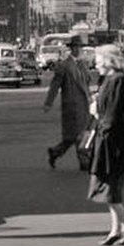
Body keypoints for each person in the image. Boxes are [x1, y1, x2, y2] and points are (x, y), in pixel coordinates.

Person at [87, 44, 124, 245]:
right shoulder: (109, 79)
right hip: (108, 136)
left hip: (114, 139)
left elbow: (114, 113)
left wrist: (96, 111)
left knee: (109, 187)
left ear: (108, 61)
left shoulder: (118, 80)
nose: (96, 65)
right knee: (108, 187)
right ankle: (116, 229)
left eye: (99, 61)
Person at [45, 36, 93, 169]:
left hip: (84, 105)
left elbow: (86, 82)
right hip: (71, 106)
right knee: (79, 135)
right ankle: (84, 161)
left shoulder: (82, 64)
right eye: (75, 47)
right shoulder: (64, 66)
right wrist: (49, 102)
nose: (78, 50)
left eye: (79, 47)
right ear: (71, 49)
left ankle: (55, 152)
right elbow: (55, 85)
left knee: (73, 137)